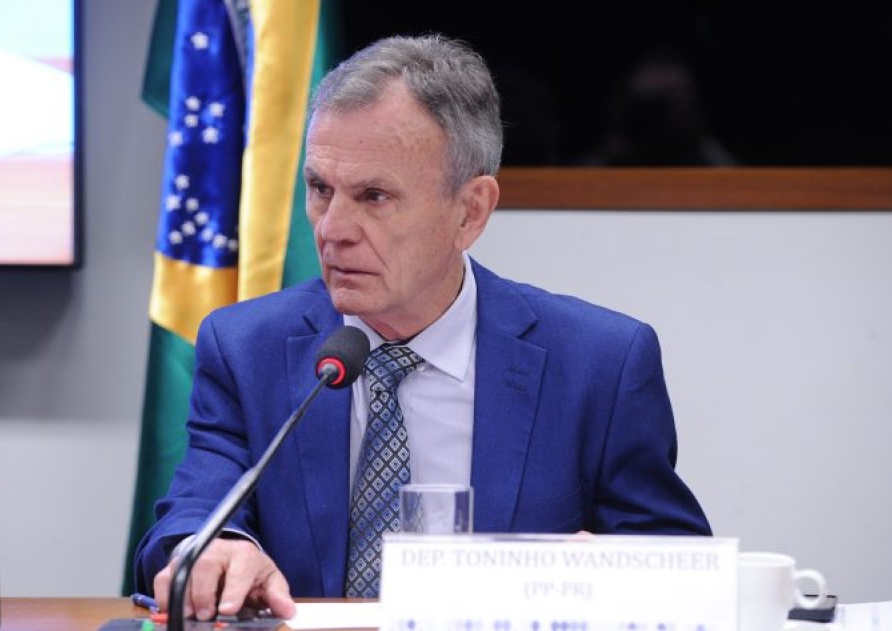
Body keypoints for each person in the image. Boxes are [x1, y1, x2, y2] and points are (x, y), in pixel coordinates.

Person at [134, 34, 711, 621]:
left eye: (374, 196)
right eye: (320, 189)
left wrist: (611, 574)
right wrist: (218, 550)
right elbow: (192, 515)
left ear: (471, 212)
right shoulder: (245, 348)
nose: (332, 229)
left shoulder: (600, 364)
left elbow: (680, 569)